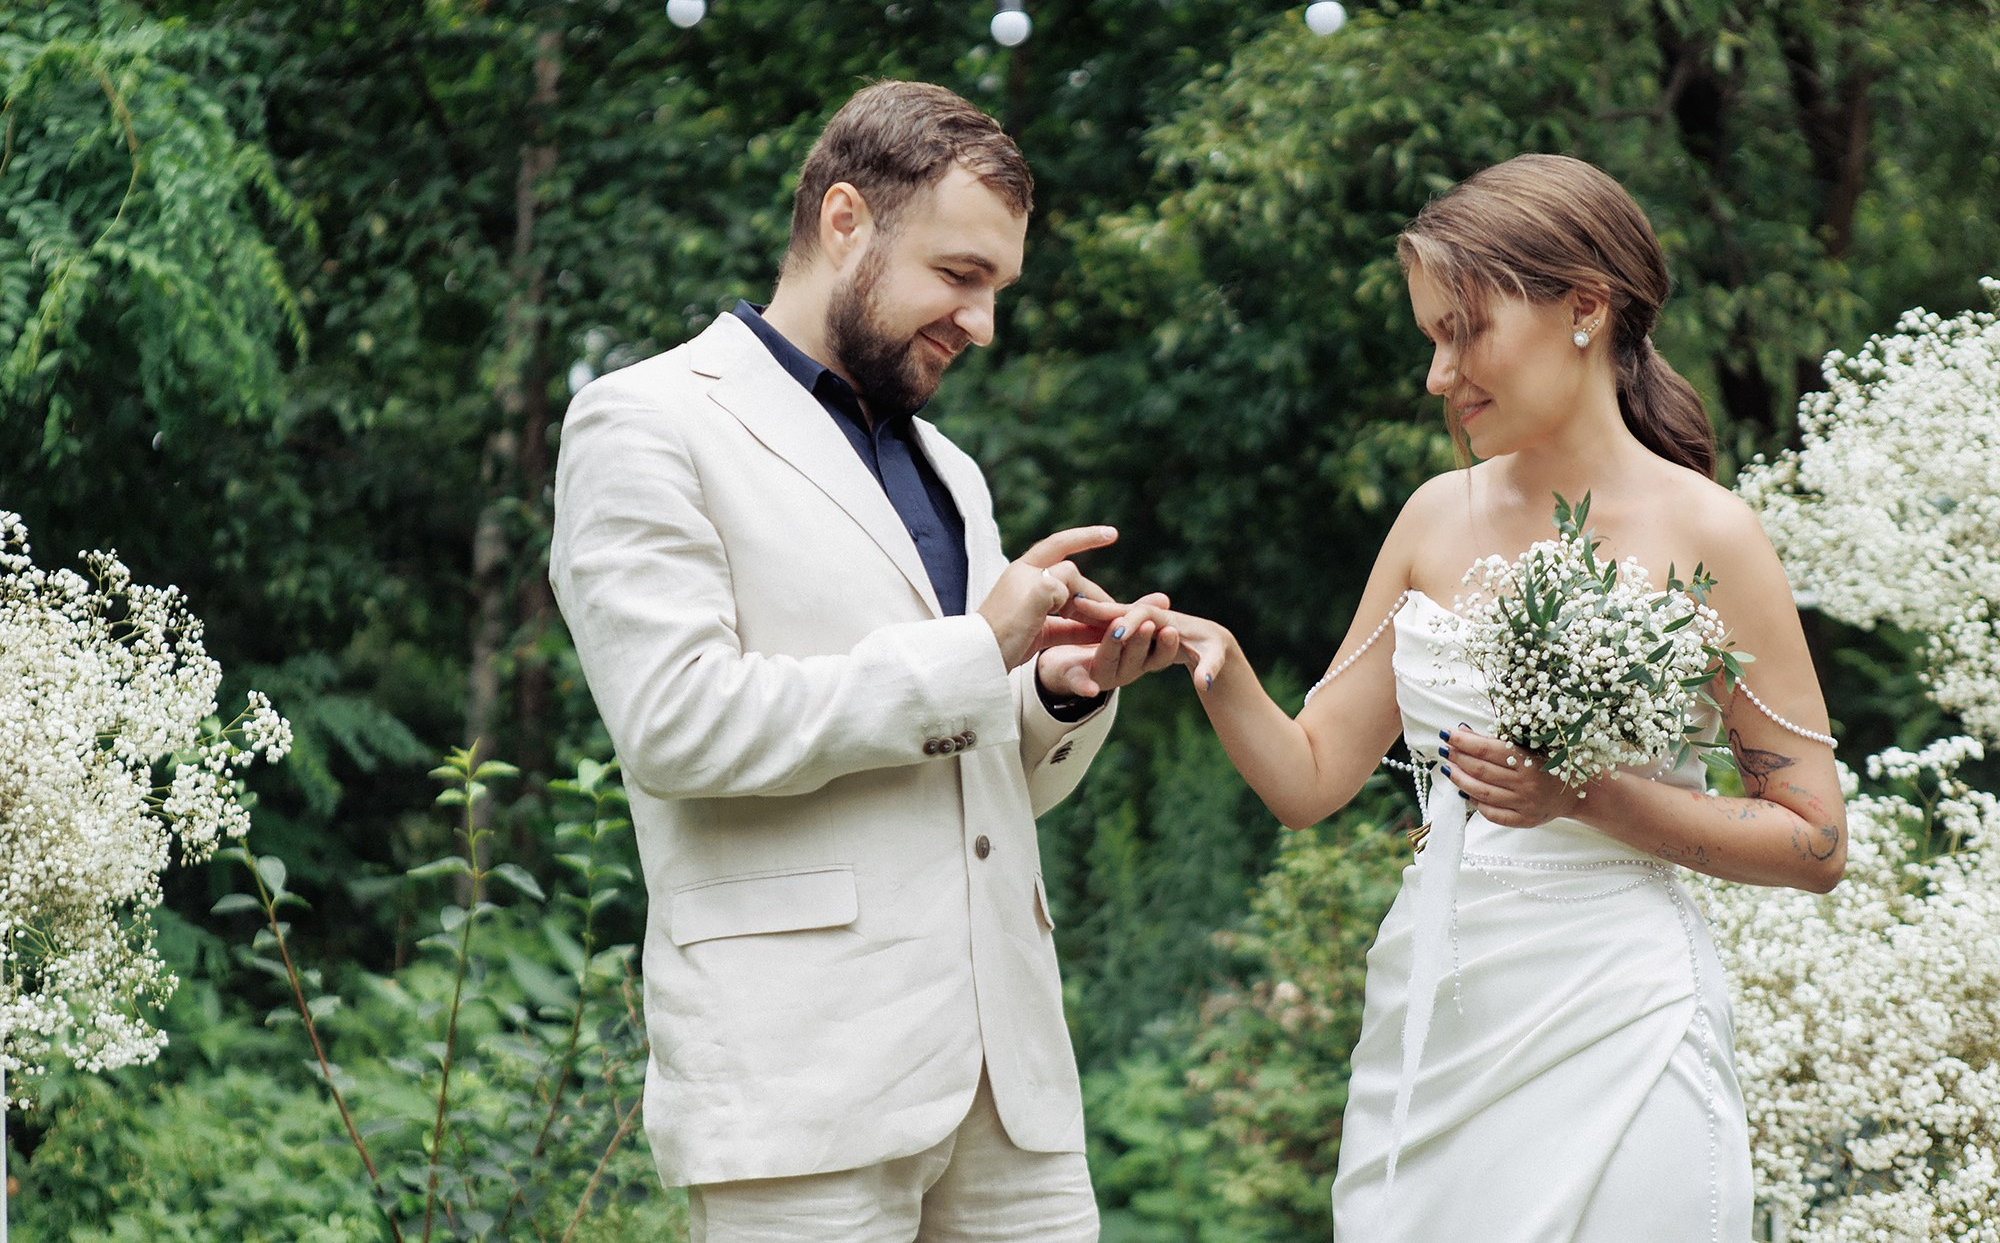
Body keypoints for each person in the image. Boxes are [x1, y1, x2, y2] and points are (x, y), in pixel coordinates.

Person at [1084, 154, 1846, 1240]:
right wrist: (1219, 664)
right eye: (1429, 340)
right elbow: (1309, 781)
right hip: (1439, 1014)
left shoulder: (1709, 533)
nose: (1438, 376)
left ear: (1585, 306)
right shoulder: (1432, 519)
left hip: (1622, 1014)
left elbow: (1814, 841)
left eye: (1464, 331)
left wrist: (1584, 797)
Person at [548, 79, 1176, 1241]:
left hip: (1012, 1091)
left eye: (997, 287)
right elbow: (675, 724)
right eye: (959, 276)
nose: (981, 324)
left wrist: (1050, 689)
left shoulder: (949, 466)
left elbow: (980, 768)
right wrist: (976, 647)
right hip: (800, 1083)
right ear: (846, 221)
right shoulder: (644, 422)